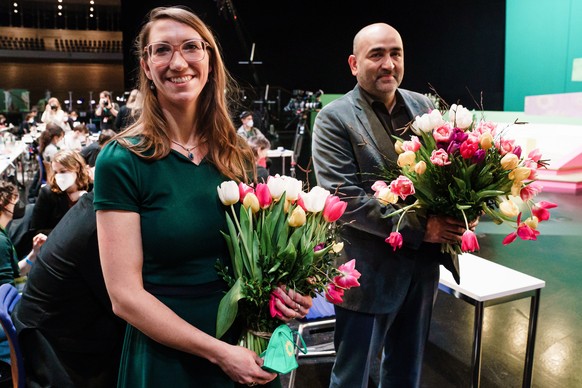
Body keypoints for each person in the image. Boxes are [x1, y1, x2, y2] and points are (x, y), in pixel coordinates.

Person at [93, 6, 311, 388]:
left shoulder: (237, 155)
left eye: (191, 47)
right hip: (170, 356)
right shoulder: (123, 160)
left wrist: (287, 291)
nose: (178, 63)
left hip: (246, 347)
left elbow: (255, 261)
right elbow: (124, 296)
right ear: (146, 66)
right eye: (162, 50)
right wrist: (218, 352)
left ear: (209, 59)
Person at [311, 23, 476, 388]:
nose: (388, 64)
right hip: (367, 271)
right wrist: (423, 228)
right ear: (354, 64)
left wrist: (465, 207)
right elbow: (345, 199)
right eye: (377, 55)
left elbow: (450, 171)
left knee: (406, 371)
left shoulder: (425, 106)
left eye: (395, 53)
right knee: (351, 376)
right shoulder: (333, 118)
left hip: (421, 269)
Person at [12, 191, 125, 388]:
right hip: (58, 351)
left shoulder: (89, 208)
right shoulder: (98, 224)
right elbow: (122, 303)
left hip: (52, 332)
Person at [0, 181, 46, 366]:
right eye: (15, 200)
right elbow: (5, 292)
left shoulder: (3, 235)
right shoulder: (1, 242)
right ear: (5, 203)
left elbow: (13, 271)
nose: (20, 205)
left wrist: (33, 255)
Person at [30, 149, 91, 236]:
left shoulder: (90, 189)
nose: (58, 176)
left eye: (63, 171)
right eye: (55, 172)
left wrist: (85, 196)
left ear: (76, 168)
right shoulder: (48, 193)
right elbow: (35, 230)